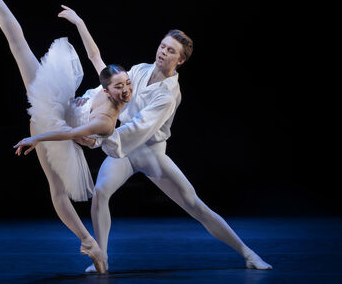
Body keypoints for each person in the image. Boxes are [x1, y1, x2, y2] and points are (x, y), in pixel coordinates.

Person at [0, 0, 132, 274]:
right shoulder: (105, 87)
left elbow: (69, 135)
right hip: (57, 106)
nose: (124, 89)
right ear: (107, 86)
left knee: (58, 192)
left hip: (56, 129)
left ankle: (91, 245)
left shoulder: (106, 120)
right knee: (19, 46)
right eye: (118, 84)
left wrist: (36, 137)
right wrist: (78, 22)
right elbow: (94, 54)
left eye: (126, 85)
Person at [77, 30, 274, 272]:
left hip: (151, 153)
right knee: (101, 191)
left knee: (194, 204)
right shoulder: (139, 70)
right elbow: (108, 87)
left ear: (180, 60)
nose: (163, 52)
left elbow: (140, 128)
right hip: (124, 151)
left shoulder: (169, 94)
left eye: (171, 51)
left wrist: (98, 140)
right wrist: (88, 111)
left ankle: (247, 253)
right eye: (162, 46)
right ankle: (101, 258)